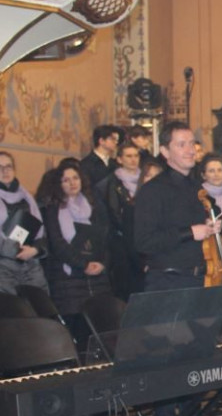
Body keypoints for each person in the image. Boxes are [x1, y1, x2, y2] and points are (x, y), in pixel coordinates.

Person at [135, 121, 222, 416]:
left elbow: (199, 233)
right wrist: (191, 232)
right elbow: (143, 242)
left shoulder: (194, 190)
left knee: (193, 358)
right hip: (167, 280)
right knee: (166, 359)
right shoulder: (153, 190)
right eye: (182, 144)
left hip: (196, 278)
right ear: (165, 151)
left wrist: (210, 228)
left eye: (192, 144)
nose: (190, 149)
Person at [37, 160, 112, 346]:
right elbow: (57, 243)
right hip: (68, 281)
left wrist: (102, 263)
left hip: (97, 279)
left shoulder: (93, 206)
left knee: (99, 330)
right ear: (58, 184)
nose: (72, 183)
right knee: (76, 332)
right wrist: (83, 264)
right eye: (66, 180)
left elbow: (105, 239)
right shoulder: (53, 209)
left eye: (75, 178)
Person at [0, 152, 47, 295]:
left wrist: (35, 250)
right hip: (3, 268)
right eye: (0, 167)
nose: (5, 171)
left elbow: (42, 233)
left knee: (39, 310)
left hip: (31, 264)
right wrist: (16, 250)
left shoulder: (27, 198)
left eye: (9, 166)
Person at [103, 142, 146, 300]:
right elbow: (114, 212)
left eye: (136, 156)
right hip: (124, 240)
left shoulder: (145, 179)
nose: (133, 160)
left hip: (144, 235)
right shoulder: (114, 183)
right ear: (120, 159)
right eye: (128, 156)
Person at [80, 124, 120, 190]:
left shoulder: (114, 163)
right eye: (112, 139)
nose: (116, 142)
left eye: (117, 140)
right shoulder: (87, 164)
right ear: (101, 141)